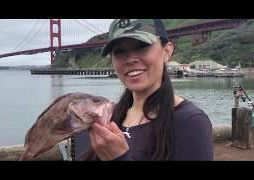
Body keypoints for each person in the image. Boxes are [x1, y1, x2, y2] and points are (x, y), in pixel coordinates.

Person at [78, 19, 213, 161]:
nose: (130, 59)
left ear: (167, 51)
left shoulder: (190, 122)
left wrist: (120, 158)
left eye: (141, 46)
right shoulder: (109, 117)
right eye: (119, 51)